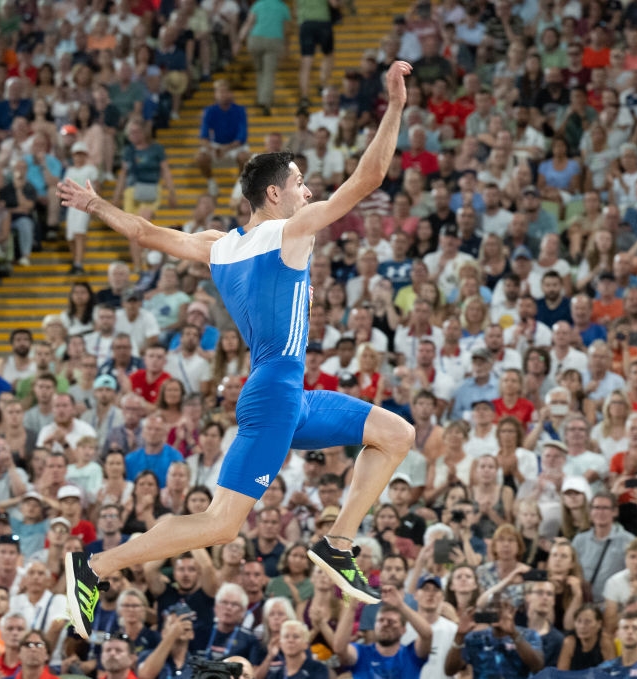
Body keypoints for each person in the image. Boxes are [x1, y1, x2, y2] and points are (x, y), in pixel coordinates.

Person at [58, 62, 416, 638]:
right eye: (300, 183)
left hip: (284, 393)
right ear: (275, 194)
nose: (309, 191)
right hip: (274, 394)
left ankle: (337, 542)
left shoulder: (219, 246)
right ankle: (93, 567)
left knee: (397, 433)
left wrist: (97, 205)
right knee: (222, 525)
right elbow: (368, 180)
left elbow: (148, 232)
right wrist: (395, 107)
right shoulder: (291, 232)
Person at [333, 586, 432, 679]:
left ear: (403, 629)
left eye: (391, 622)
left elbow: (427, 635)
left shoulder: (411, 655)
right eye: (380, 620)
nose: (385, 624)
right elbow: (339, 649)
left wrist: (401, 605)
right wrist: (351, 607)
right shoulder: (362, 653)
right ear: (374, 626)